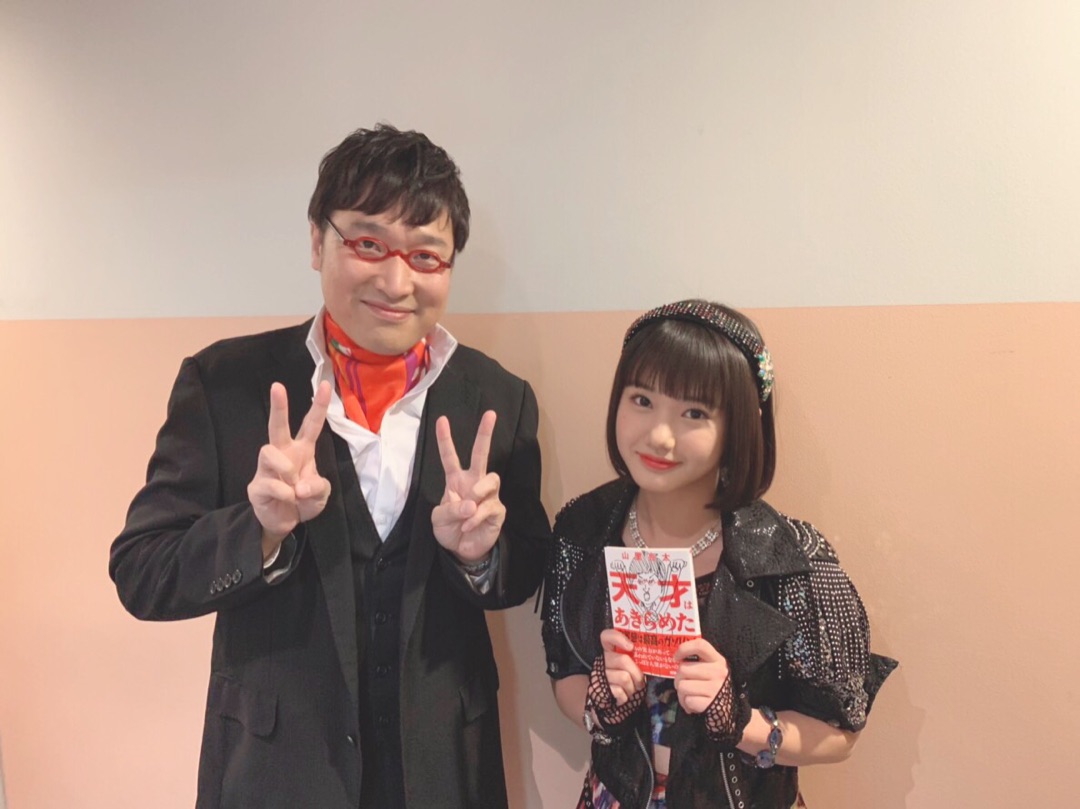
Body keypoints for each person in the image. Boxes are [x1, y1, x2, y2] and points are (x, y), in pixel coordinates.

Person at [110, 124, 551, 809]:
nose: (396, 281)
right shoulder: (225, 384)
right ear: (318, 240)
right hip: (274, 773)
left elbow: (523, 570)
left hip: (443, 772)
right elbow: (142, 572)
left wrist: (480, 557)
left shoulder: (497, 398)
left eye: (425, 255)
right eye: (368, 244)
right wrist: (258, 531)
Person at [541, 300, 896, 808]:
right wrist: (602, 703)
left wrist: (742, 723)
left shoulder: (792, 558)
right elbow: (565, 675)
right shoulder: (584, 530)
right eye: (642, 400)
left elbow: (840, 734)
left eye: (694, 413)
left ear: (739, 427)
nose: (659, 435)